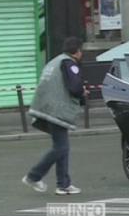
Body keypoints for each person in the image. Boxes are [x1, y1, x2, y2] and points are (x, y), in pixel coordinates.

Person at [22, 37, 87, 195]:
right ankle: (33, 176)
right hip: (56, 110)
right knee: (61, 147)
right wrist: (82, 93)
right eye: (81, 50)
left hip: (46, 107)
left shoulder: (55, 61)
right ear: (77, 51)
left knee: (62, 147)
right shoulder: (69, 64)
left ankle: (63, 184)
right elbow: (75, 87)